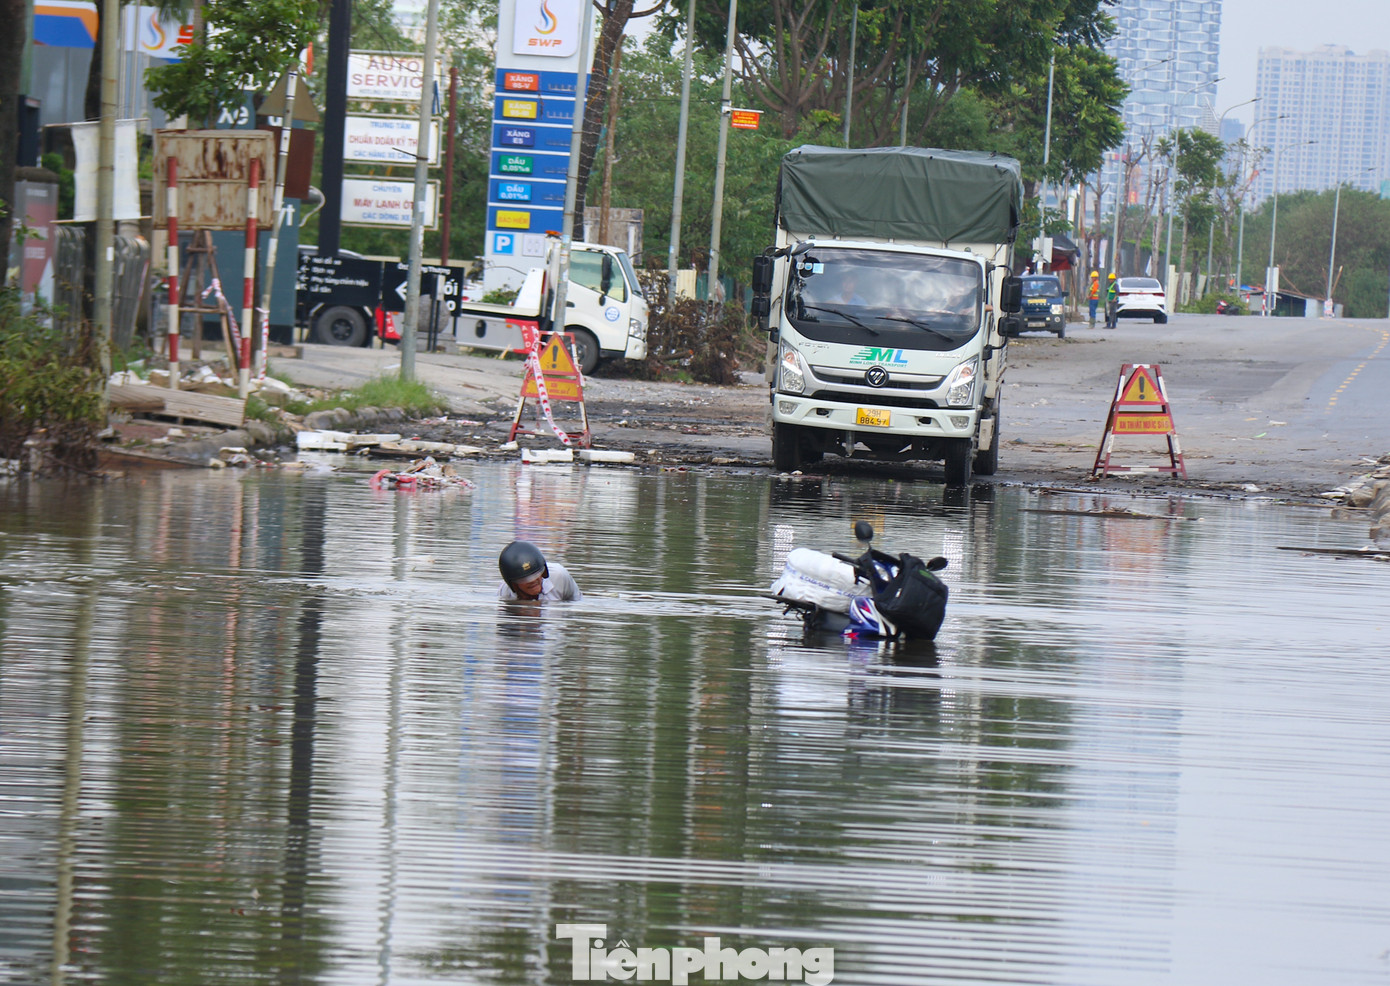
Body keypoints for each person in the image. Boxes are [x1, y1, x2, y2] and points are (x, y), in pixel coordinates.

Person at [497, 540, 583, 601]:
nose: (533, 581)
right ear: (513, 585)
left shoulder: (559, 577)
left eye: (536, 574)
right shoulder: (505, 594)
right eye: (525, 579)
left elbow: (577, 603)